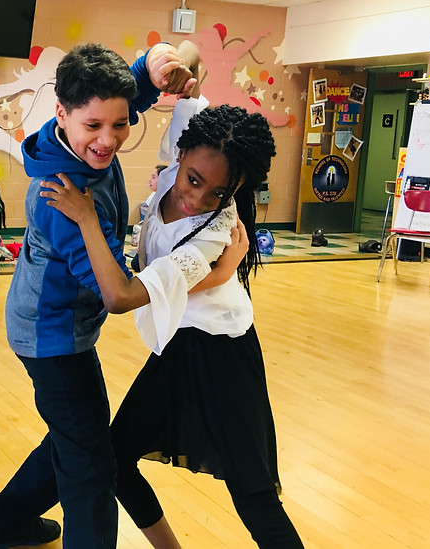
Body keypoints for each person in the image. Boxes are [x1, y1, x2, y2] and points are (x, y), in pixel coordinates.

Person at [40, 104, 304, 548]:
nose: (197, 199)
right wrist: (173, 66)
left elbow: (121, 297)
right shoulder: (167, 178)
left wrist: (86, 218)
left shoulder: (215, 232)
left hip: (224, 354)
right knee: (118, 459)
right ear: (180, 154)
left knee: (253, 494)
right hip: (180, 345)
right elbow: (186, 72)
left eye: (219, 193)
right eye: (194, 180)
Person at [0, 41, 198, 549]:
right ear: (61, 113)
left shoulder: (74, 131)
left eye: (119, 125)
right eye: (93, 126)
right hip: (51, 337)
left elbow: (126, 90)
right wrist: (186, 269)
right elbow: (115, 294)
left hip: (58, 325)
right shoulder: (63, 197)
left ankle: (6, 523)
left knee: (77, 436)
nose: (107, 139)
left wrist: (156, 64)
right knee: (91, 468)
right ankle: (2, 524)